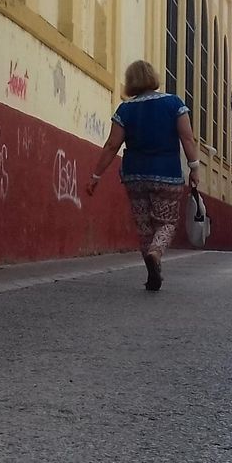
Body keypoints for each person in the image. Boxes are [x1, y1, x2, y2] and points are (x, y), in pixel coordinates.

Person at [84, 60, 201, 291]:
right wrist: (194, 168)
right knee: (166, 222)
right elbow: (187, 138)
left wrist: (96, 176)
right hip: (166, 173)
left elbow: (111, 145)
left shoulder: (125, 109)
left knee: (143, 225)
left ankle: (151, 274)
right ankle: (156, 253)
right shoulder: (173, 103)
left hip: (134, 175)